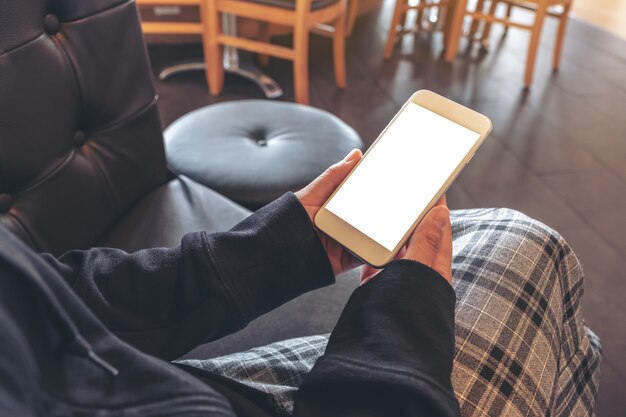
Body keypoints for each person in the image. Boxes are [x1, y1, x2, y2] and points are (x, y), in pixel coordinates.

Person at [0, 150, 600, 417]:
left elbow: (46, 301)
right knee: (527, 241)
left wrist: (273, 250)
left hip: (180, 389)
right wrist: (401, 322)